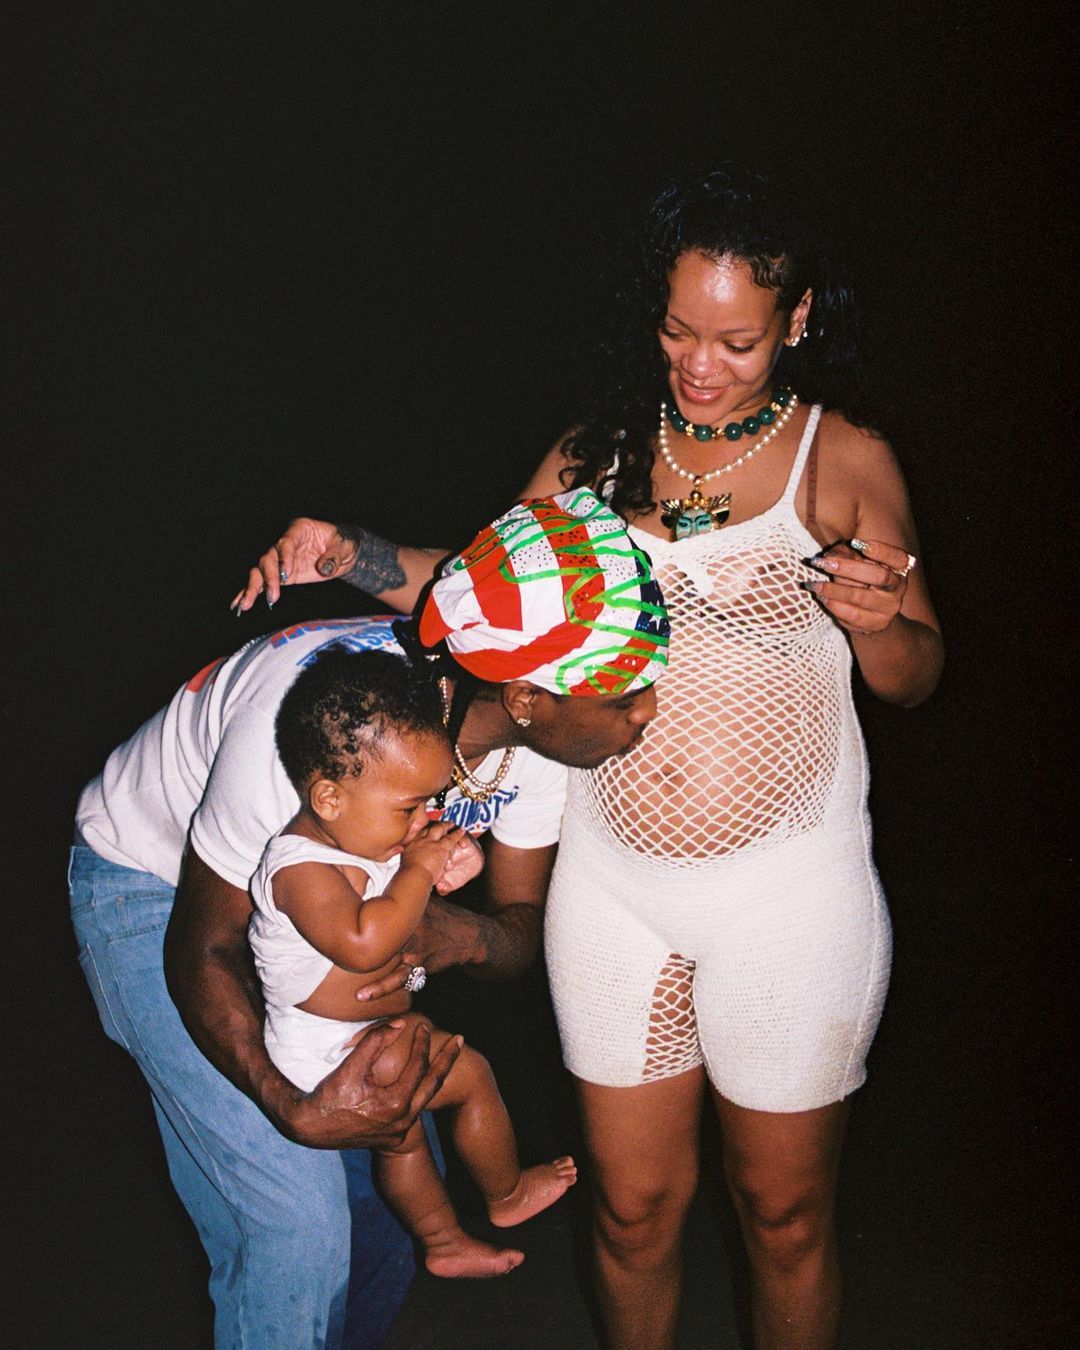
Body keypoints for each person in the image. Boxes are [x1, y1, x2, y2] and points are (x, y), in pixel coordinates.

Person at [233, 166, 944, 1349]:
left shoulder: (844, 458)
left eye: (737, 340)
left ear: (799, 321)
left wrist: (881, 625)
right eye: (677, 332)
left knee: (781, 1214)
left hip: (792, 896)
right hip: (615, 892)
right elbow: (466, 592)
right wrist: (343, 549)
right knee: (627, 1211)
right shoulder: (595, 457)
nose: (700, 365)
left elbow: (919, 673)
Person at [71, 489, 668, 1349]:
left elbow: (515, 932)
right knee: (296, 1227)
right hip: (153, 885)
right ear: (530, 692)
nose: (646, 711)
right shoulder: (328, 734)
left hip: (332, 919)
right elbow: (204, 943)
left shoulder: (536, 751)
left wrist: (452, 936)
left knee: (384, 1209)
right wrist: (288, 1103)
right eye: (623, 693)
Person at [251, 644, 577, 1278]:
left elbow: (407, 916)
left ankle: (444, 1241)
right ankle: (502, 1196)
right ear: (329, 799)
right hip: (322, 1048)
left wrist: (445, 863)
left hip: (359, 1034)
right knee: (467, 1076)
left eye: (429, 805)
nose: (423, 820)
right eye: (408, 809)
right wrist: (418, 874)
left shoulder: (362, 839)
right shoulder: (298, 867)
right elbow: (366, 942)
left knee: (401, 1133)